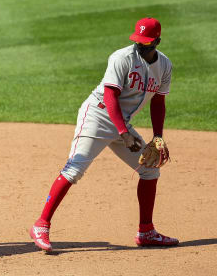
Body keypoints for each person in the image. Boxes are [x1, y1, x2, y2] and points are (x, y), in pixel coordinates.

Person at [29, 17, 179, 251]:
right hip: (97, 117)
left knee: (150, 170)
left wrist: (158, 136)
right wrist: (124, 133)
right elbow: (110, 96)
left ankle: (146, 231)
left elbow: (158, 101)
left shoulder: (165, 66)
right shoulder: (122, 58)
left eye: (146, 43)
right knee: (74, 169)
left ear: (157, 41)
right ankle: (41, 225)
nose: (141, 46)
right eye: (138, 41)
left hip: (122, 122)